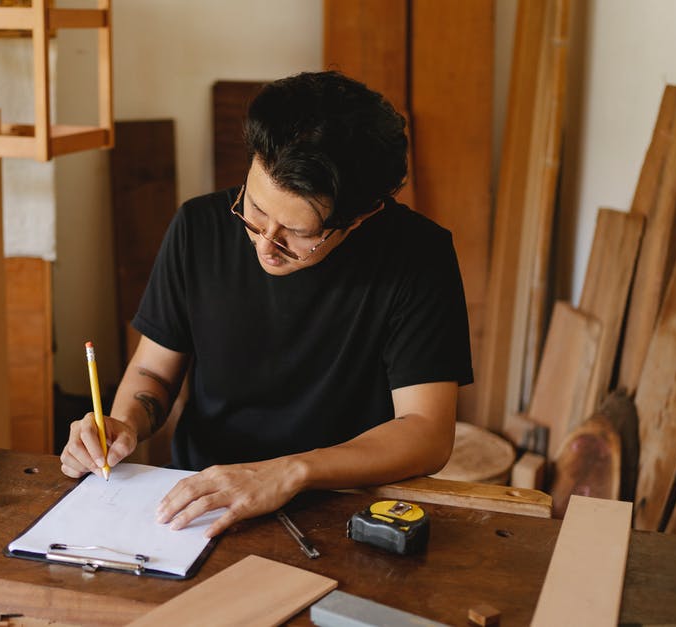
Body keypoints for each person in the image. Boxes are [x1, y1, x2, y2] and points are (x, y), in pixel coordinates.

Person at [60, 70, 472, 538]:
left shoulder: (418, 257)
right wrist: (122, 424)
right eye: (255, 210)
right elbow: (153, 372)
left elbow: (426, 431)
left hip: (344, 503)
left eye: (296, 233)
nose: (265, 245)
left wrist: (290, 472)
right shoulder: (198, 227)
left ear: (360, 217)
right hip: (202, 498)